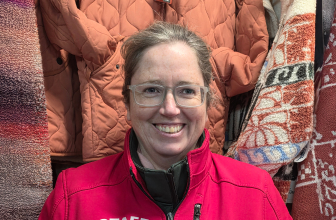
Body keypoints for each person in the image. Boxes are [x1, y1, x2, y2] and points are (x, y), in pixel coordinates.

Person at [39, 22, 292, 220]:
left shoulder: (256, 193)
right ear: (127, 104)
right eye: (151, 90)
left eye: (187, 91)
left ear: (207, 104)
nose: (170, 109)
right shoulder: (73, 196)